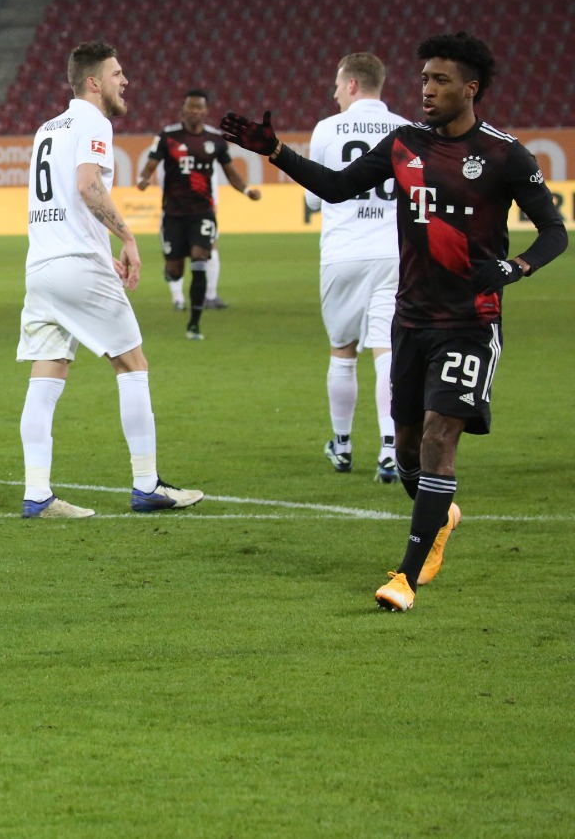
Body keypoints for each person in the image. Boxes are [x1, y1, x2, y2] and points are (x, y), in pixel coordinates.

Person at [220, 32, 566, 612]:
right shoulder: (404, 144)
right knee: (406, 449)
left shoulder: (508, 155)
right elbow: (336, 187)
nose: (426, 90)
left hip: (470, 323)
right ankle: (439, 519)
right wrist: (274, 151)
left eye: (440, 80)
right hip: (411, 320)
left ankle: (404, 575)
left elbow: (554, 231)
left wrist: (516, 266)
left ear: (471, 89)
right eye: (424, 79)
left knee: (438, 436)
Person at [18, 41, 204, 520]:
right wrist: (126, 237)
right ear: (94, 82)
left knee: (47, 373)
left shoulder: (46, 129)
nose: (126, 81)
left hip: (41, 266)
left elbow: (61, 199)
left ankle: (37, 493)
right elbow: (86, 185)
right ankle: (147, 485)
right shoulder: (93, 121)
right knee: (132, 363)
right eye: (118, 73)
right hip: (78, 264)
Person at [304, 53, 410, 482]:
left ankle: (343, 445)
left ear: (351, 85)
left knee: (343, 351)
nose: (333, 92)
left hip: (343, 254)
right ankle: (389, 449)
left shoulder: (327, 129)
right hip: (394, 255)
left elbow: (314, 199)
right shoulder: (406, 130)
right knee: (388, 350)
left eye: (335, 84)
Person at [136, 89, 261, 340]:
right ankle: (171, 273)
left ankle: (194, 323)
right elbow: (150, 164)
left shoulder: (216, 140)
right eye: (190, 107)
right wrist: (144, 179)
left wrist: (247, 190)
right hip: (173, 213)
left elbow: (230, 173)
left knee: (200, 257)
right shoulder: (168, 136)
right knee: (175, 270)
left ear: (206, 111)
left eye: (199, 107)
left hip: (202, 212)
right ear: (183, 111)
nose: (194, 111)